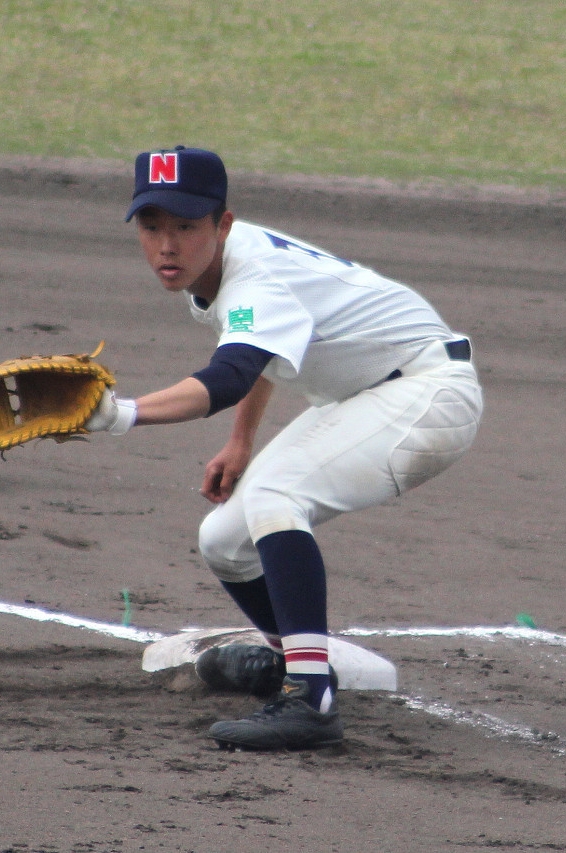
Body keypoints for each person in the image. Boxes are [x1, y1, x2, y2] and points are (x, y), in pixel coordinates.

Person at [85, 146, 484, 750]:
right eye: (151, 227)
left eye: (186, 227)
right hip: (364, 397)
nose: (167, 246)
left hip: (428, 396)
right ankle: (296, 665)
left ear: (223, 223)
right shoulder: (220, 271)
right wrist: (241, 441)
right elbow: (264, 353)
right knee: (224, 541)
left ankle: (310, 703)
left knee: (277, 496)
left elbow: (227, 378)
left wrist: (122, 415)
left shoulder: (255, 277)